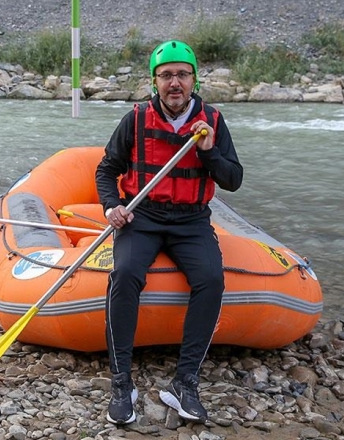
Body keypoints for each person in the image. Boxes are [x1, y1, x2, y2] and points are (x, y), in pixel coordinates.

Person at [95, 40, 244, 425]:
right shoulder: (136, 119)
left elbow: (233, 179)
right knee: (125, 274)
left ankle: (185, 382)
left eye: (182, 74)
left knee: (211, 279)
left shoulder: (211, 120)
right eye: (166, 76)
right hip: (141, 216)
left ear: (194, 79)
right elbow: (106, 170)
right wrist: (112, 205)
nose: (174, 83)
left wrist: (210, 150)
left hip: (191, 220)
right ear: (154, 81)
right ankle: (121, 381)